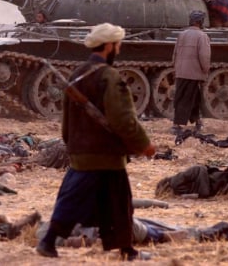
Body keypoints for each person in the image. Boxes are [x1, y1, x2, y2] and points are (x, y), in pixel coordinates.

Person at [36, 23, 156, 261]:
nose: (119, 50)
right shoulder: (109, 77)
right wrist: (144, 144)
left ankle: (124, 248)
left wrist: (71, 144)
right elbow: (123, 119)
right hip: (106, 153)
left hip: (82, 151)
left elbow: (66, 119)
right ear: (109, 46)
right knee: (119, 203)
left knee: (76, 200)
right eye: (118, 45)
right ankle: (124, 249)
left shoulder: (77, 73)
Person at [171, 10, 211, 134]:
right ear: (200, 22)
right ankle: (177, 125)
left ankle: (197, 121)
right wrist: (205, 71)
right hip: (194, 73)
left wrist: (175, 68)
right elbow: (204, 56)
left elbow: (175, 53)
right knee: (188, 98)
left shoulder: (182, 34)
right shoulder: (202, 36)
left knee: (190, 97)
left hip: (181, 72)